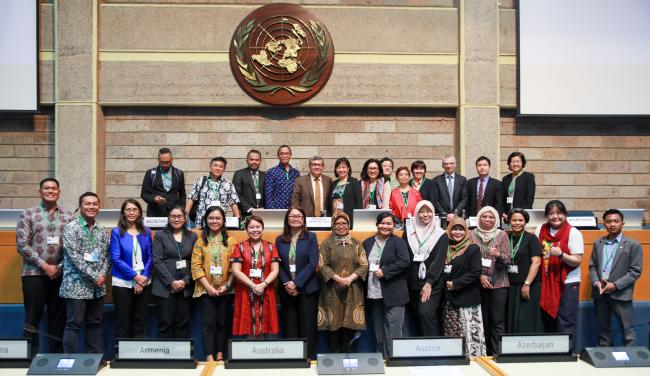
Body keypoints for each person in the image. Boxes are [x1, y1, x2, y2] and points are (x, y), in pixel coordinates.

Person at [16, 178, 73, 356]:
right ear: (39, 192)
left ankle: (57, 358)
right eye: (46, 188)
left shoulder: (68, 216)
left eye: (54, 188)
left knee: (58, 319)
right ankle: (30, 359)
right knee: (32, 319)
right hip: (33, 274)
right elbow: (22, 245)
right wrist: (45, 266)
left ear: (59, 192)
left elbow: (73, 248)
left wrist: (59, 267)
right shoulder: (28, 214)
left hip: (60, 275)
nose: (50, 191)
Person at [59, 192, 111, 354]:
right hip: (76, 286)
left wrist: (102, 275)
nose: (91, 207)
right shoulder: (71, 228)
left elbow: (108, 255)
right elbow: (74, 257)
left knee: (94, 323)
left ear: (99, 207)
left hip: (98, 288)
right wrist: (95, 276)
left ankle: (93, 360)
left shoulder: (101, 229)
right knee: (73, 324)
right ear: (80, 207)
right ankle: (71, 361)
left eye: (95, 204)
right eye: (87, 204)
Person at [589, 209, 642, 347]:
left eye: (616, 221)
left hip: (621, 294)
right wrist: (596, 282)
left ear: (622, 223)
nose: (612, 224)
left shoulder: (633, 245)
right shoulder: (598, 243)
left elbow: (635, 271)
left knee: (628, 332)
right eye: (608, 221)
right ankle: (606, 361)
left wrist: (615, 285)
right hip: (600, 293)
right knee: (603, 331)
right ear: (604, 224)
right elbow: (592, 266)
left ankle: (629, 364)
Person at [318, 212, 368, 353]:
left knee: (349, 325)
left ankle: (347, 357)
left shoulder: (357, 243)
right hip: (332, 290)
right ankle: (335, 358)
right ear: (332, 226)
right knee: (334, 325)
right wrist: (339, 279)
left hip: (353, 290)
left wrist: (349, 279)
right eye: (337, 223)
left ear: (349, 225)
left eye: (344, 223)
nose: (341, 226)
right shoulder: (326, 244)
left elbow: (364, 265)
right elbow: (322, 265)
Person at [536, 200, 583, 351]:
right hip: (546, 281)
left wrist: (561, 254)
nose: (555, 216)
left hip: (568, 282)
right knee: (548, 320)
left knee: (566, 321)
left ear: (565, 214)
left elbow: (577, 261)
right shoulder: (540, 230)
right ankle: (551, 354)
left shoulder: (573, 232)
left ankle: (567, 355)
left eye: (559, 213)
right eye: (551, 214)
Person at [362, 212, 410, 357]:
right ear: (377, 224)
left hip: (393, 292)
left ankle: (393, 361)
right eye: (382, 223)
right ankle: (380, 361)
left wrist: (385, 271)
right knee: (378, 331)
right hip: (373, 292)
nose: (385, 226)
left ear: (394, 226)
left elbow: (404, 261)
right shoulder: (368, 242)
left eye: (389, 223)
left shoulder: (399, 242)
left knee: (393, 331)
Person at [191, 206, 236, 360]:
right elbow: (195, 267)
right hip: (206, 290)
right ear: (206, 220)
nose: (214, 221)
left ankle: (220, 354)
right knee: (208, 324)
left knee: (223, 323)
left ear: (223, 221)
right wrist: (209, 288)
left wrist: (227, 285)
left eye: (218, 218)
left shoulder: (231, 241)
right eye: (211, 218)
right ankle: (209, 356)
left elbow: (235, 266)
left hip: (226, 290)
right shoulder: (200, 242)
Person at [276, 207, 320, 359]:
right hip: (287, 290)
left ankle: (308, 358)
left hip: (306, 289)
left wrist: (297, 283)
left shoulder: (311, 237)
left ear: (304, 219)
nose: (296, 218)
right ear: (287, 219)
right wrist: (287, 283)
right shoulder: (279, 239)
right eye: (292, 216)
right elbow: (278, 265)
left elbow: (313, 264)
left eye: (299, 216)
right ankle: (291, 359)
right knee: (289, 326)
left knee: (307, 327)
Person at [469, 206, 510, 355]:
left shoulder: (502, 235)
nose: (487, 219)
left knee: (497, 321)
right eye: (484, 216)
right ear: (479, 217)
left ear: (496, 219)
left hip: (499, 284)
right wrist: (479, 275)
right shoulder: (471, 234)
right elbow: (468, 260)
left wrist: (498, 254)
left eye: (491, 217)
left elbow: (508, 260)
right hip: (478, 283)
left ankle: (498, 354)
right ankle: (484, 354)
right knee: (482, 321)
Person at [109, 199, 153, 339]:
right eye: (128, 209)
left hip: (144, 282)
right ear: (123, 213)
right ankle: (121, 357)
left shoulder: (146, 231)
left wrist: (142, 280)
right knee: (123, 321)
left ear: (140, 212)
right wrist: (136, 277)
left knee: (140, 320)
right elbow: (116, 259)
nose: (131, 212)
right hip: (123, 282)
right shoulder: (116, 232)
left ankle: (137, 357)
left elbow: (150, 258)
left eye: (135, 209)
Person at [443, 217, 486, 357]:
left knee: (469, 333)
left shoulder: (472, 248)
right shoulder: (446, 247)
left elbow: (475, 271)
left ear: (466, 231)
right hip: (450, 298)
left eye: (461, 230)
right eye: (454, 229)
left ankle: (473, 361)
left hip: (467, 298)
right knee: (452, 332)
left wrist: (456, 284)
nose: (457, 232)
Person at [152, 205, 197, 339]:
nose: (176, 219)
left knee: (182, 324)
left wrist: (185, 280)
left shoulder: (192, 236)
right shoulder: (160, 235)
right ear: (168, 218)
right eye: (173, 216)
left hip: (185, 287)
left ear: (185, 218)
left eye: (179, 216)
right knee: (165, 324)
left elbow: (195, 261)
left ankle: (181, 358)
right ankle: (167, 359)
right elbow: (157, 260)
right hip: (164, 287)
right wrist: (171, 282)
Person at [231, 216, 280, 337]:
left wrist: (263, 285)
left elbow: (275, 270)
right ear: (246, 230)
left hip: (266, 290)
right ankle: (249, 353)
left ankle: (262, 353)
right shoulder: (239, 247)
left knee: (265, 323)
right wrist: (253, 285)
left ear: (263, 229)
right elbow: (235, 270)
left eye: (258, 227)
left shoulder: (271, 247)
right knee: (247, 324)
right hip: (245, 291)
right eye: (251, 227)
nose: (255, 230)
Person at [403, 200, 447, 336]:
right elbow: (407, 258)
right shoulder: (409, 233)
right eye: (421, 211)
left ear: (433, 214)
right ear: (416, 214)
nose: (425, 215)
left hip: (431, 283)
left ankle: (433, 349)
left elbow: (438, 261)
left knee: (426, 313)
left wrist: (429, 283)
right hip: (413, 282)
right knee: (416, 315)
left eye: (428, 211)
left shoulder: (441, 234)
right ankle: (419, 350)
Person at [506, 209, 543, 333]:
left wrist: (527, 283)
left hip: (528, 285)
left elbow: (536, 262)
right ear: (509, 221)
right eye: (514, 220)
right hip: (510, 285)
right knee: (511, 318)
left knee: (525, 319)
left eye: (520, 220)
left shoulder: (531, 239)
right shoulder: (506, 237)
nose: (517, 223)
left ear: (525, 222)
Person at [186, 156, 241, 229]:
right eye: (215, 165)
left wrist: (238, 219)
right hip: (201, 222)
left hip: (219, 222)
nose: (218, 168)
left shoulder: (228, 184)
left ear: (224, 169)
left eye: (221, 167)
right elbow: (191, 198)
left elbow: (233, 202)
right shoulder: (201, 180)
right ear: (210, 166)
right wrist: (185, 214)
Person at [140, 147, 187, 217]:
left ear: (172, 160)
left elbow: (182, 195)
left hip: (174, 214)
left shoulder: (179, 173)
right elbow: (144, 194)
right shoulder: (150, 173)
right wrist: (154, 199)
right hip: (155, 213)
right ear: (158, 160)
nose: (165, 165)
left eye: (167, 162)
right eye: (162, 162)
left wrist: (181, 209)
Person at [432, 155, 468, 228]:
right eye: (446, 164)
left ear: (455, 165)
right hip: (442, 219)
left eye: (451, 163)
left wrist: (455, 213)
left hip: (458, 217)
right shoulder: (436, 180)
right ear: (442, 165)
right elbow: (436, 200)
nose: (448, 166)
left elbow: (464, 198)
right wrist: (445, 214)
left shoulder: (462, 180)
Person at [501, 152, 535, 222]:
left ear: (522, 163)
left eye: (518, 161)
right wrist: (504, 214)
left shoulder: (529, 177)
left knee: (520, 232)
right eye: (513, 162)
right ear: (509, 163)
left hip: (521, 217)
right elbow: (502, 198)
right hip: (507, 217)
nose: (515, 164)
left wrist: (520, 215)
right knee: (506, 232)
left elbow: (529, 200)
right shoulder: (505, 179)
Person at [327, 157, 362, 223]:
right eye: (339, 167)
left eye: (344, 167)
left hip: (349, 218)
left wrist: (356, 219)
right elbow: (329, 203)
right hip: (335, 218)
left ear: (348, 168)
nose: (341, 170)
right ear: (336, 169)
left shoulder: (354, 182)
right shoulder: (333, 184)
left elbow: (359, 203)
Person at [264, 145, 300, 209]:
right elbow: (268, 195)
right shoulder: (271, 172)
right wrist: (272, 211)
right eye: (282, 153)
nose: (284, 156)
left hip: (293, 210)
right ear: (278, 155)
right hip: (277, 210)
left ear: (290, 155)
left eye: (287, 153)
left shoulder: (296, 173)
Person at [232, 149, 266, 215]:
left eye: (257, 160)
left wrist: (264, 208)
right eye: (251, 159)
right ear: (247, 161)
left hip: (262, 212)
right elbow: (236, 194)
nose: (254, 162)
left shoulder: (265, 175)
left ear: (260, 161)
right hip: (245, 213)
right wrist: (249, 208)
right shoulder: (239, 174)